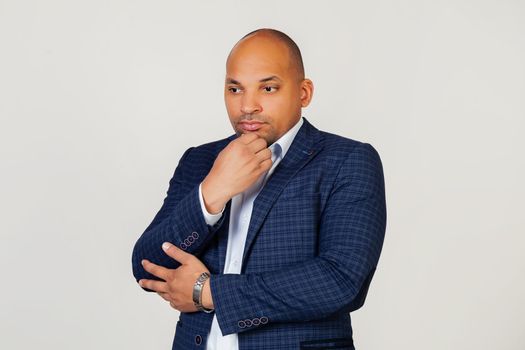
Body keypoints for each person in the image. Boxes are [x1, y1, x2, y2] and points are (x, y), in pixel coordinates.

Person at [131, 28, 386, 350]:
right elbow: (146, 265)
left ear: (304, 93)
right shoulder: (201, 160)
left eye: (268, 88)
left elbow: (340, 280)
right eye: (235, 89)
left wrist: (207, 292)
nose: (248, 106)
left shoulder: (347, 160)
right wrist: (211, 193)